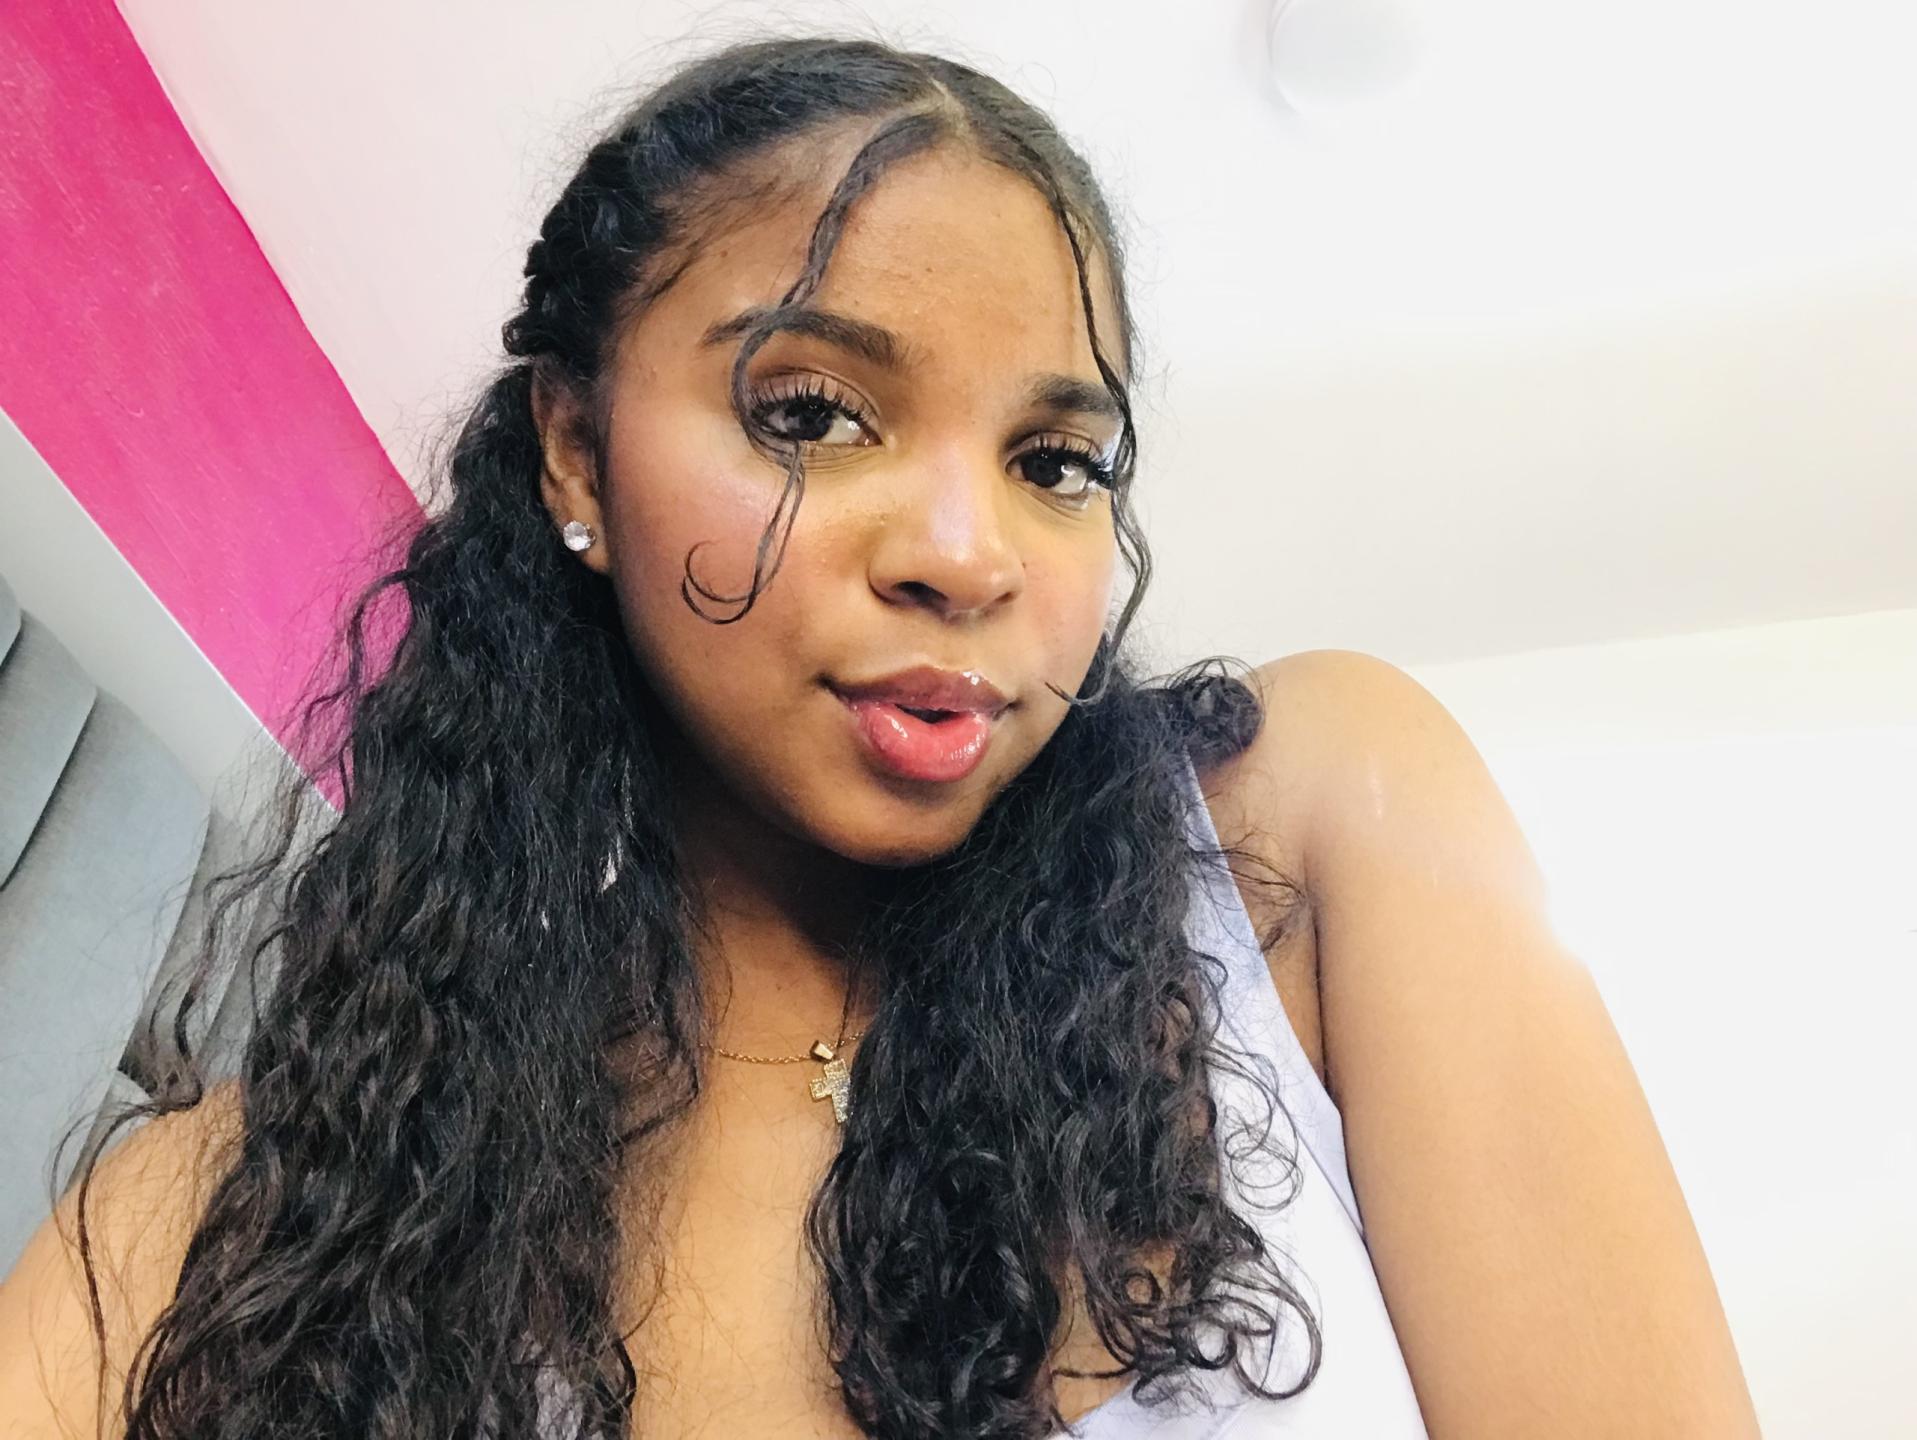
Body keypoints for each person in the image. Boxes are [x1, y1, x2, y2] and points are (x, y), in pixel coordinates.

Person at [0, 34, 1759, 1440]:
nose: (970, 554)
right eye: (815, 413)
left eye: (1054, 462)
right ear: (574, 450)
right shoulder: (225, 1229)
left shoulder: (1293, 852)